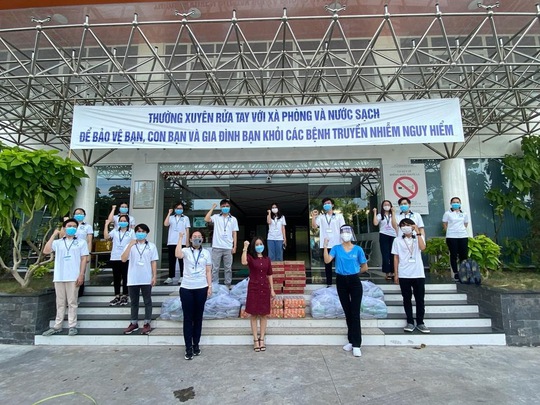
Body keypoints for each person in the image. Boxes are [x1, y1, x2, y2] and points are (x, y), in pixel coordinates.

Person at [323, 225, 368, 357]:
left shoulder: (358, 249)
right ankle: (351, 340)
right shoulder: (336, 248)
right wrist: (325, 246)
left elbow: (365, 267)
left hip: (354, 282)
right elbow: (327, 260)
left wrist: (354, 273)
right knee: (347, 312)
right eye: (343, 232)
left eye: (348, 232)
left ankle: (357, 344)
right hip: (341, 281)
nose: (345, 234)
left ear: (352, 233)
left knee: (355, 313)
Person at [42, 218, 89, 337]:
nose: (72, 228)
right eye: (69, 226)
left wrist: (81, 274)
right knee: (60, 302)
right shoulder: (58, 243)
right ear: (64, 228)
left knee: (72, 302)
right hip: (59, 276)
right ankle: (57, 326)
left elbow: (84, 258)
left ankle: (72, 326)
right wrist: (54, 234)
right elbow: (46, 251)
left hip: (73, 276)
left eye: (74, 226)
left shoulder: (81, 242)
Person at [175, 231, 212, 360]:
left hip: (201, 287)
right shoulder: (185, 251)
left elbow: (208, 271)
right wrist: (180, 238)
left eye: (199, 237)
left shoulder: (206, 253)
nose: (197, 238)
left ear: (202, 239)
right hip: (187, 288)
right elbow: (177, 254)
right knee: (188, 318)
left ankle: (196, 344)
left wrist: (209, 286)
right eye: (194, 237)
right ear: (190, 239)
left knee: (198, 318)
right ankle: (188, 348)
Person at [392, 218, 430, 334]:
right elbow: (396, 257)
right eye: (403, 225)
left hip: (418, 273)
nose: (405, 227)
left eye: (408, 225)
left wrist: (417, 232)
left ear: (413, 226)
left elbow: (423, 248)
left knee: (420, 299)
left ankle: (420, 322)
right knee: (406, 298)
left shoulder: (418, 237)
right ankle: (409, 321)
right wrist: (396, 274)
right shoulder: (397, 240)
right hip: (404, 273)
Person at [121, 224, 158, 335]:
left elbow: (154, 261)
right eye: (138, 231)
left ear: (147, 233)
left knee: (147, 301)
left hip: (146, 278)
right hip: (133, 278)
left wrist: (154, 276)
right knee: (134, 302)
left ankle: (147, 323)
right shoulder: (130, 245)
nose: (140, 233)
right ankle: (133, 323)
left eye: (142, 231)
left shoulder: (151, 246)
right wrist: (130, 245)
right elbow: (123, 259)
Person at [241, 237, 276, 352]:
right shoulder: (251, 258)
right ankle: (255, 340)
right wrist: (245, 248)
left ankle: (262, 339)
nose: (259, 246)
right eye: (257, 244)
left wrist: (272, 289)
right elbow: (243, 262)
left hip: (264, 288)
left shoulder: (267, 259)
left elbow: (269, 274)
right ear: (253, 246)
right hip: (254, 288)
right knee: (254, 315)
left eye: (261, 244)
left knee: (264, 315)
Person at [204, 199, 239, 288]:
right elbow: (206, 219)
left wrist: (235, 246)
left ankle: (228, 284)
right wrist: (212, 208)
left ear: (230, 207)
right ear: (220, 207)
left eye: (227, 206)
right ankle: (215, 284)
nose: (225, 208)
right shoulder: (216, 217)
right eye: (223, 206)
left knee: (228, 268)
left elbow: (234, 233)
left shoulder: (233, 219)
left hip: (228, 247)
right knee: (215, 268)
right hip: (217, 246)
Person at [311, 197, 345, 287]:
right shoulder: (321, 217)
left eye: (328, 203)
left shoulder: (339, 216)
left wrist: (344, 242)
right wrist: (313, 216)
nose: (327, 205)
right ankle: (329, 283)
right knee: (327, 265)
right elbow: (314, 226)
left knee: (339, 265)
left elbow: (343, 229)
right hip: (326, 245)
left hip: (337, 244)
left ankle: (340, 283)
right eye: (325, 203)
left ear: (332, 205)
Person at [104, 214, 134, 306]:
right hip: (115, 257)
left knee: (125, 277)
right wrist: (106, 225)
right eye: (121, 220)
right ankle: (117, 295)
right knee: (116, 277)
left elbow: (134, 243)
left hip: (127, 257)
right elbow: (106, 237)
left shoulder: (132, 232)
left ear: (128, 222)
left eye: (125, 221)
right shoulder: (115, 231)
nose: (123, 222)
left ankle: (125, 295)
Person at [442, 197, 470, 282]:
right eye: (454, 202)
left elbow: (465, 223)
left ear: (460, 203)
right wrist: (450, 231)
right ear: (451, 204)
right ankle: (455, 273)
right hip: (451, 237)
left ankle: (463, 272)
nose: (456, 204)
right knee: (453, 255)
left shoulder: (464, 213)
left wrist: (460, 230)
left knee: (463, 255)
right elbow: (444, 224)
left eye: (457, 202)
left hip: (462, 236)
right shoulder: (447, 213)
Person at [164, 202, 191, 284]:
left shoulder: (186, 218)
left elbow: (187, 229)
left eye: (180, 208)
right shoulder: (171, 217)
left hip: (182, 242)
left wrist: (187, 241)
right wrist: (169, 213)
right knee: (171, 260)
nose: (179, 210)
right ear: (174, 209)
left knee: (182, 260)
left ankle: (182, 276)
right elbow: (165, 224)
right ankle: (170, 276)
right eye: (177, 208)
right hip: (172, 241)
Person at [372, 200, 398, 281]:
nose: (386, 206)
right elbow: (375, 223)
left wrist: (393, 212)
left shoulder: (394, 215)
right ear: (382, 206)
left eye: (388, 204)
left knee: (393, 254)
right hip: (384, 235)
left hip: (393, 235)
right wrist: (375, 212)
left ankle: (394, 272)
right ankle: (387, 273)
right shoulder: (380, 215)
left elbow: (396, 224)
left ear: (391, 206)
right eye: (385, 204)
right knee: (385, 254)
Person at [72, 208, 93, 297]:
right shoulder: (70, 226)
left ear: (84, 215)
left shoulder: (87, 226)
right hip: (71, 252)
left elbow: (89, 241)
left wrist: (88, 253)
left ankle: (79, 294)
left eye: (80, 213)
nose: (79, 215)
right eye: (77, 213)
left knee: (81, 272)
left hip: (82, 252)